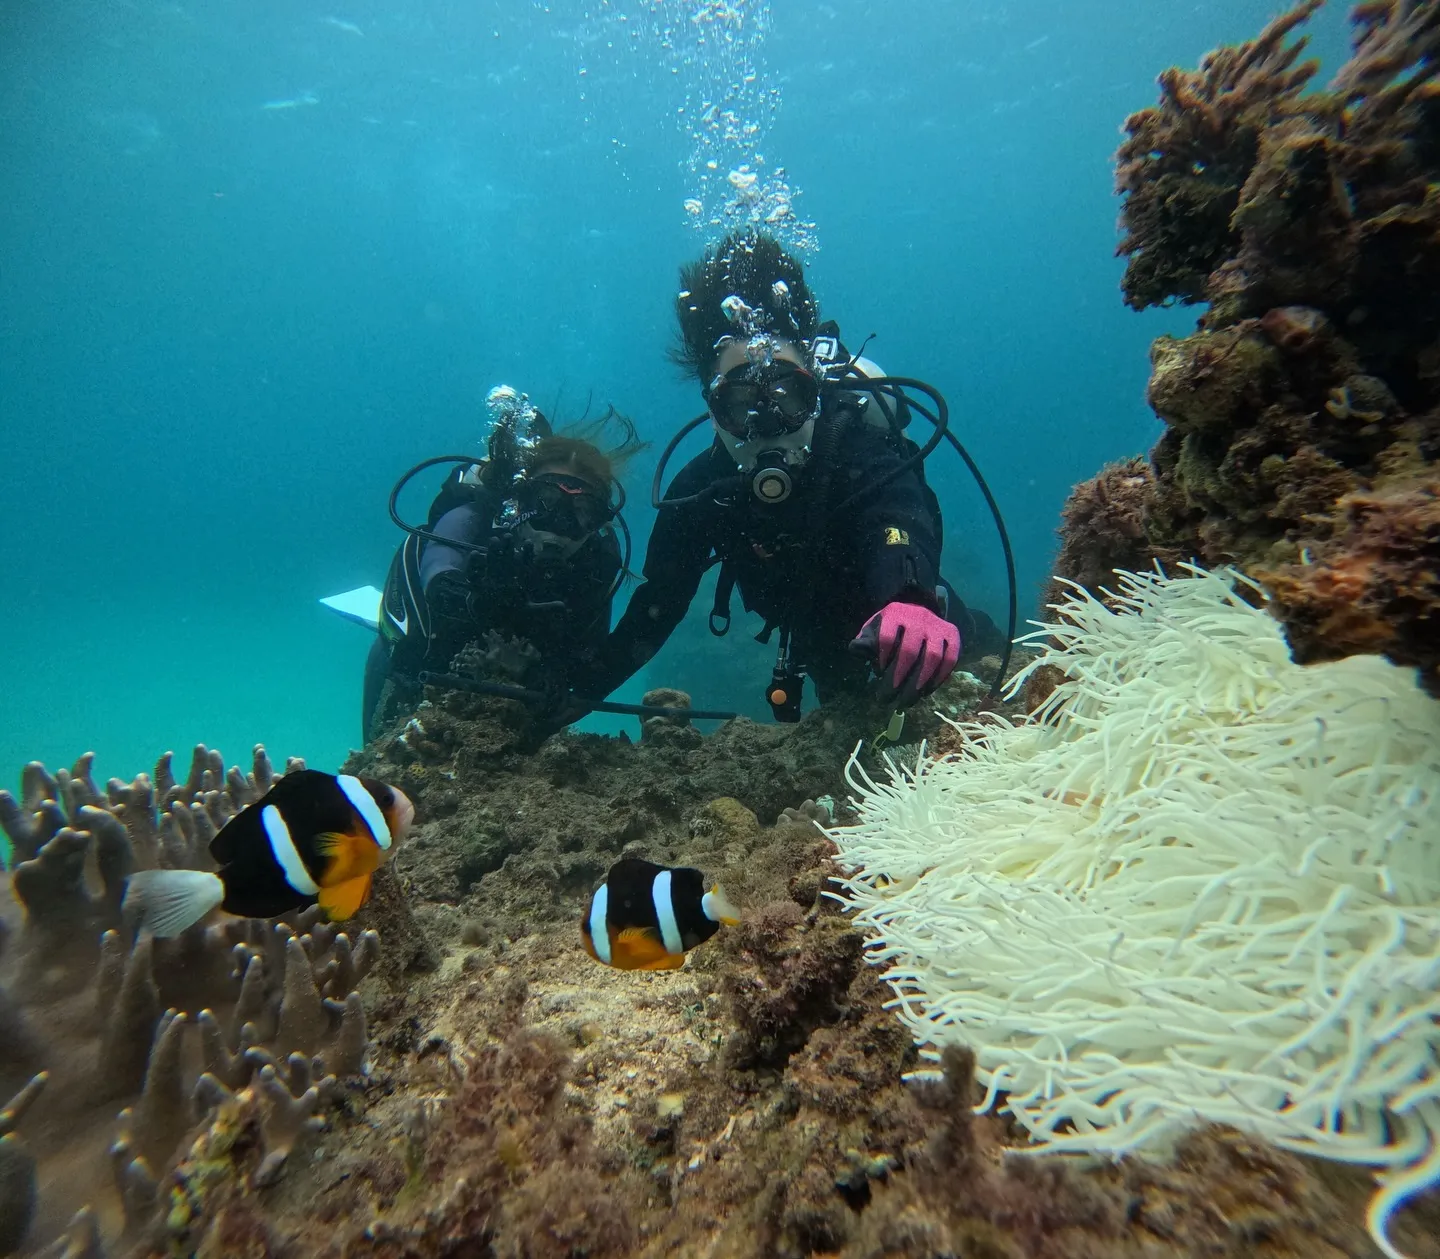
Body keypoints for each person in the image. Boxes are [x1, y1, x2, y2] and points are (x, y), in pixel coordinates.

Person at [569, 231, 1000, 723]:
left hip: (925, 623)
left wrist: (912, 600)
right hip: (823, 646)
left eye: (786, 396)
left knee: (984, 682)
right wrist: (573, 694)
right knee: (853, 735)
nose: (767, 423)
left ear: (815, 390)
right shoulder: (701, 490)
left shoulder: (853, 446)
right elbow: (655, 609)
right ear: (713, 413)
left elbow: (898, 511)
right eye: (739, 404)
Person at [363, 386, 644, 741]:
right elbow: (438, 571)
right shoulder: (476, 518)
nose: (560, 528)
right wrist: (473, 601)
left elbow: (584, 651)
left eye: (582, 513)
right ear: (519, 499)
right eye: (544, 504)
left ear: (599, 522)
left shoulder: (596, 563)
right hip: (427, 654)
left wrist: (554, 677)